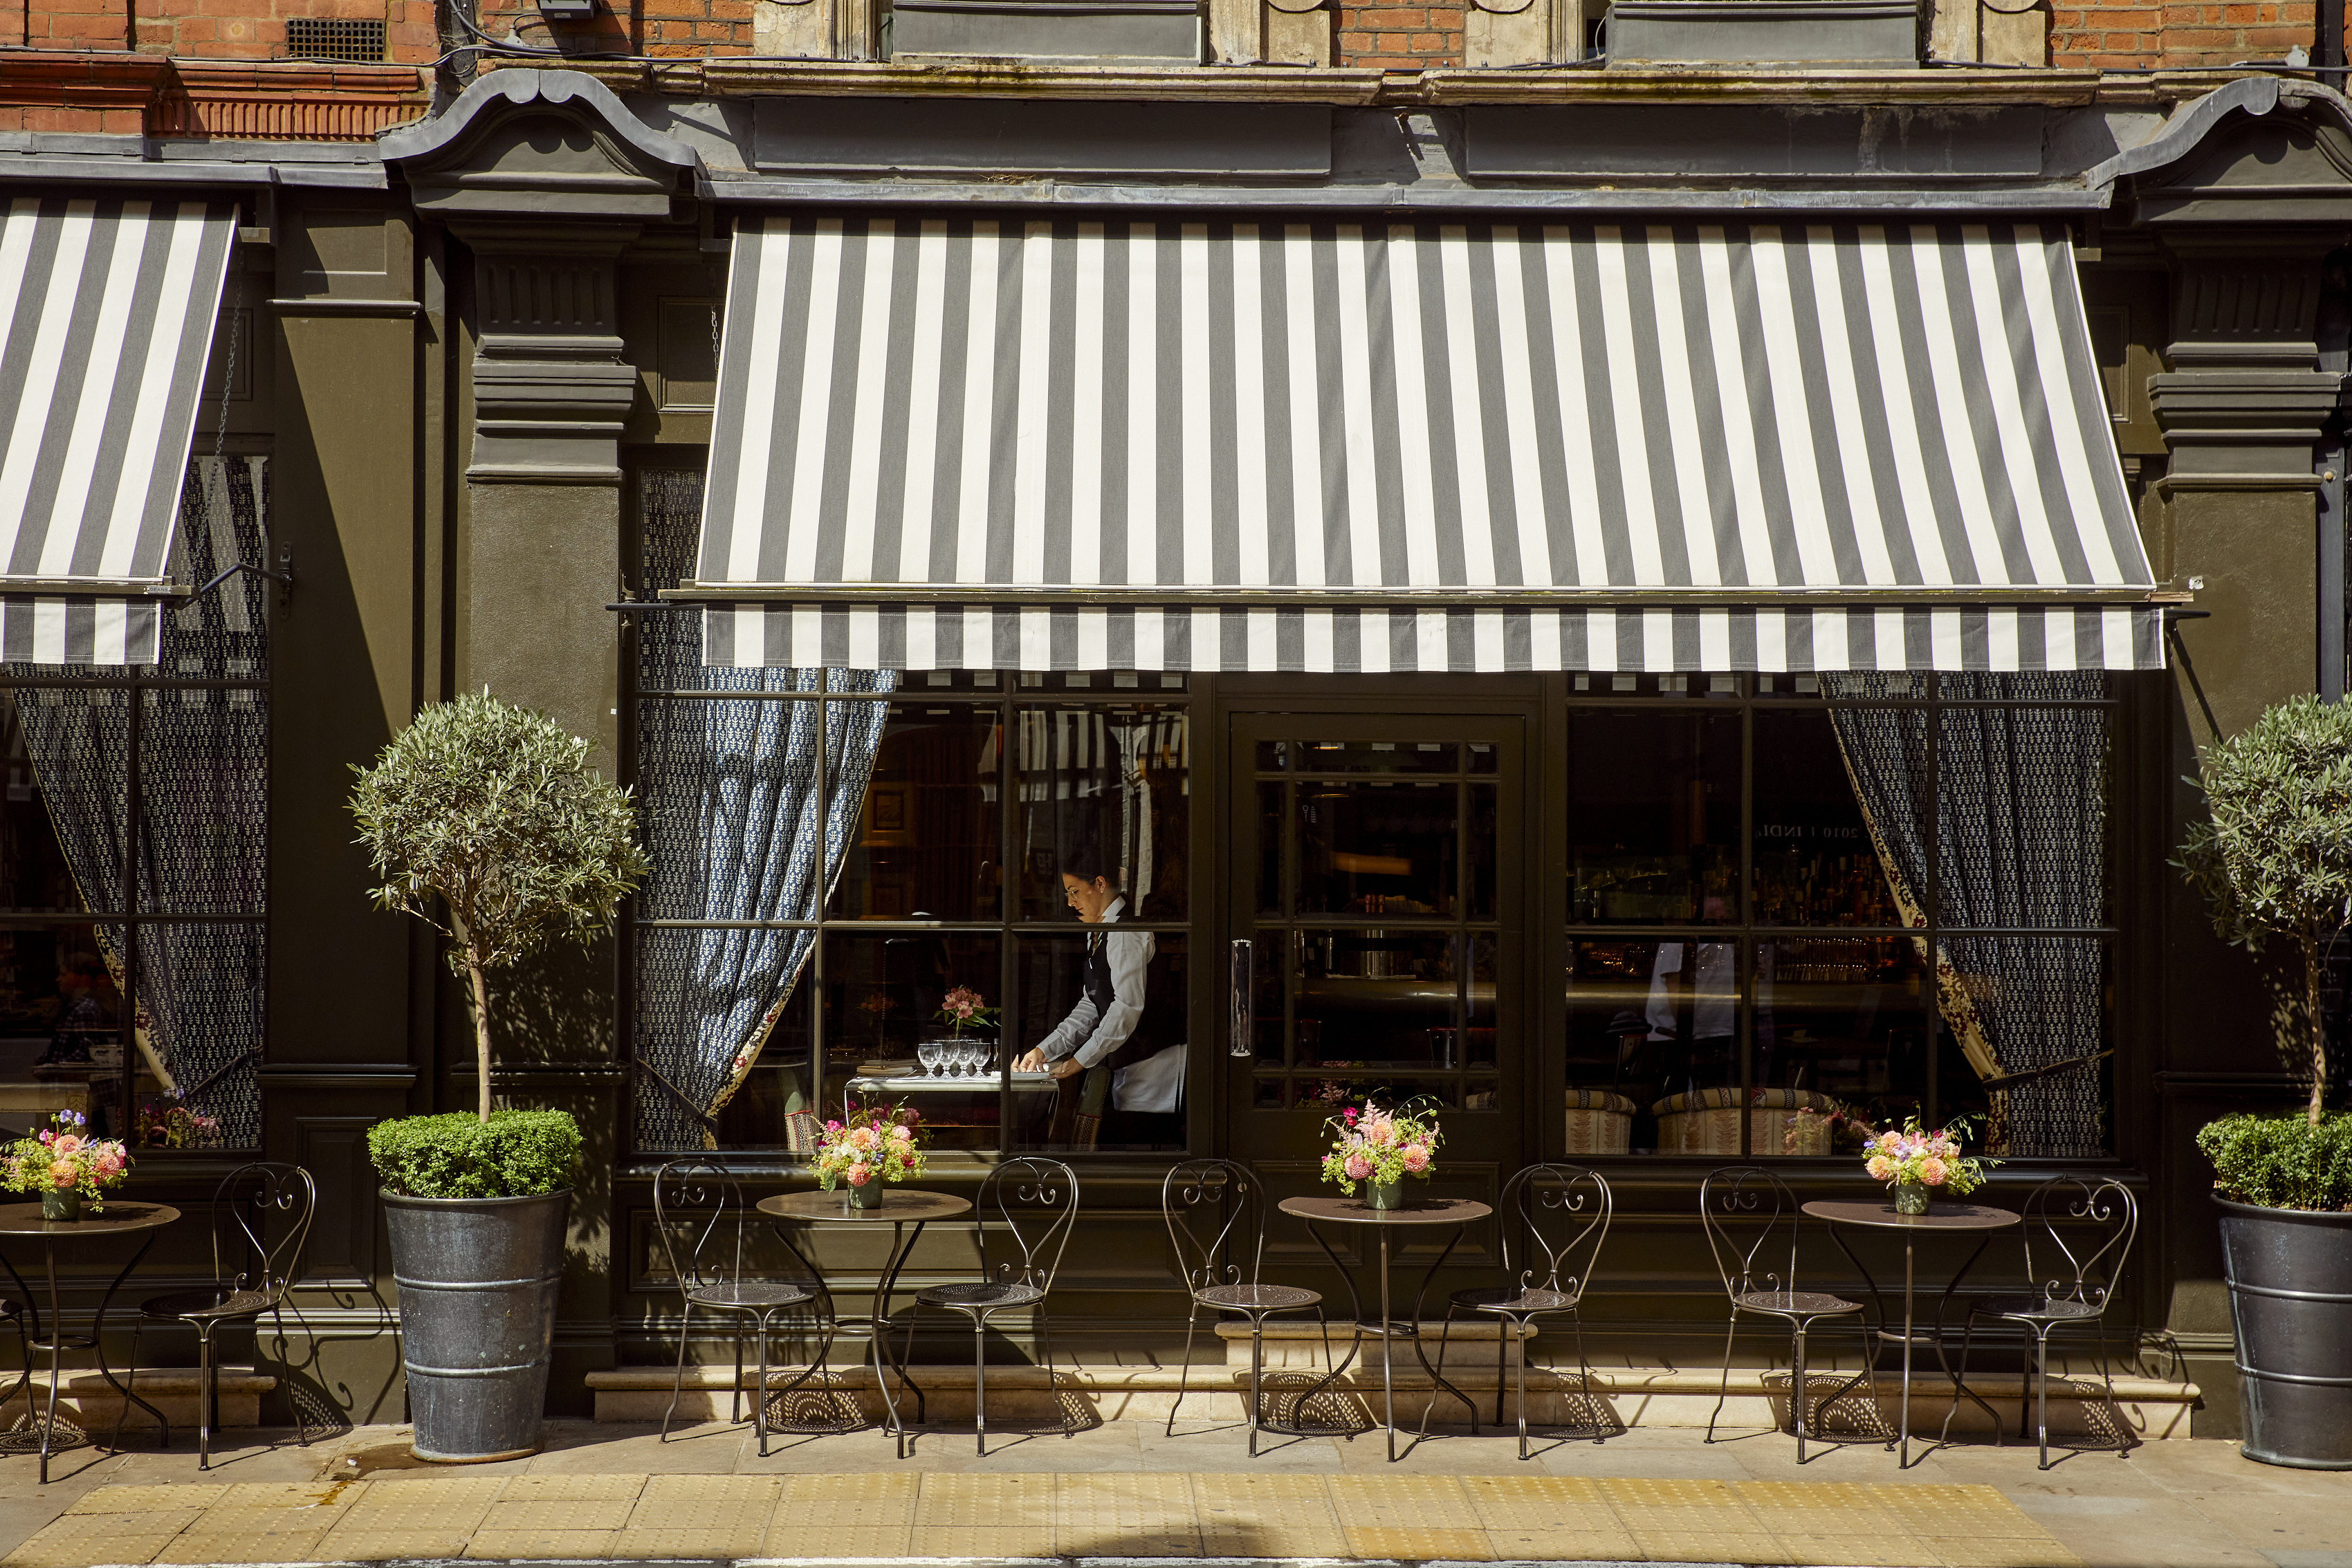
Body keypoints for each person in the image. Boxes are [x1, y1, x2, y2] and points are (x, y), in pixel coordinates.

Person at [1013, 845, 1182, 1147]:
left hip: (1156, 1065)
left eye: (1075, 891)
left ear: (1100, 884)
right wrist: (1045, 1050)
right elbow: (1091, 1004)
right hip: (1129, 1063)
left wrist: (1079, 1060)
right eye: (1068, 893)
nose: (1070, 902)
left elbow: (1125, 1008)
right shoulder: (1100, 932)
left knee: (1139, 1152)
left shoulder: (1125, 932)